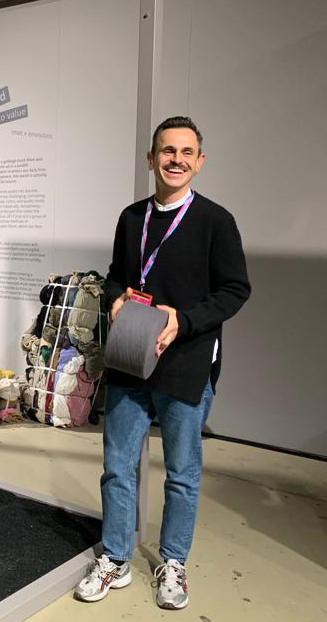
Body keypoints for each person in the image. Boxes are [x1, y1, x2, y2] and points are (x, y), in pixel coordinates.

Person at [75, 116, 251, 609]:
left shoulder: (216, 221)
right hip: (131, 356)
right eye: (167, 151)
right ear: (151, 159)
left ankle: (172, 562)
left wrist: (185, 321)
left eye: (186, 152)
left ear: (200, 161)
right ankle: (115, 558)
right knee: (117, 467)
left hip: (186, 362)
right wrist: (115, 297)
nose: (177, 160)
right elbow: (116, 275)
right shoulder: (132, 218)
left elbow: (236, 290)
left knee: (182, 474)